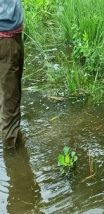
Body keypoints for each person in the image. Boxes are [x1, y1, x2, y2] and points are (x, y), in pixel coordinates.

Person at [0, 0, 24, 149]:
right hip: (5, 39)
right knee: (10, 102)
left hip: (10, 36)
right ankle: (14, 159)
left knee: (7, 97)